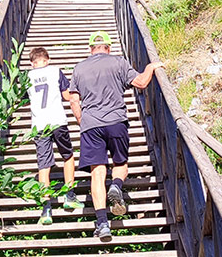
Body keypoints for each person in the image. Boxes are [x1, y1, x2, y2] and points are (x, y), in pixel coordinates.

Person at [67, 31, 163, 242]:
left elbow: (73, 100)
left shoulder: (79, 68)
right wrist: (150, 68)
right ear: (108, 47)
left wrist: (82, 121)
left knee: (96, 173)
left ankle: (102, 224)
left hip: (91, 125)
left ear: (91, 48)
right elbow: (141, 83)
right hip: (116, 121)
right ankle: (116, 185)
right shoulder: (118, 62)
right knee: (121, 162)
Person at [26, 46, 84, 224]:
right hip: (57, 120)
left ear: (32, 62)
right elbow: (67, 96)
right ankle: (69, 195)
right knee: (67, 156)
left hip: (39, 124)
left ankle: (46, 209)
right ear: (47, 59)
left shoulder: (26, 76)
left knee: (43, 164)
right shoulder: (55, 71)